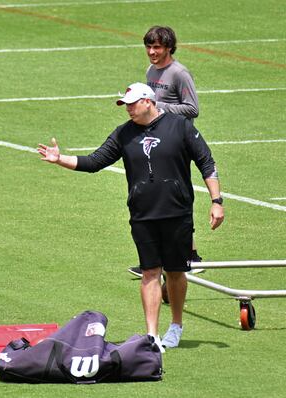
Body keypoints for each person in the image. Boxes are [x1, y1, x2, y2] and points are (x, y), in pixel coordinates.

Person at [37, 82, 224, 349]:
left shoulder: (180, 127)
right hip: (142, 214)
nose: (129, 109)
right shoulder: (123, 134)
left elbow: (206, 161)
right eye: (125, 105)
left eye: (133, 104)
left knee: (175, 271)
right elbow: (94, 162)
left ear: (148, 101)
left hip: (177, 213)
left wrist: (217, 201)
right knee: (150, 272)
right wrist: (60, 159)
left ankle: (176, 325)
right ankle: (151, 335)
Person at [129, 25, 202, 278]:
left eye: (157, 47)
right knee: (158, 193)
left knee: (176, 193)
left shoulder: (179, 73)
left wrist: (158, 106)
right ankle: (156, 259)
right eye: (149, 47)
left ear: (169, 47)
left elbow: (192, 109)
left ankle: (190, 256)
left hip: (176, 139)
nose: (152, 52)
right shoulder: (151, 70)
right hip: (155, 138)